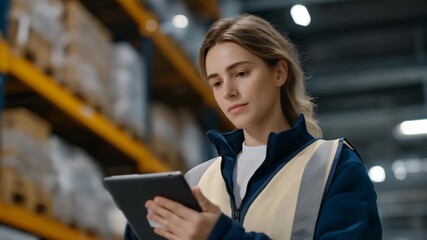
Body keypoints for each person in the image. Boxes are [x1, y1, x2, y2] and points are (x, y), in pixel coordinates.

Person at [124, 14, 382, 240]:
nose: (228, 92)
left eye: (241, 73)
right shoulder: (195, 181)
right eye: (216, 83)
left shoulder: (334, 166)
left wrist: (219, 236)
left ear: (279, 73)